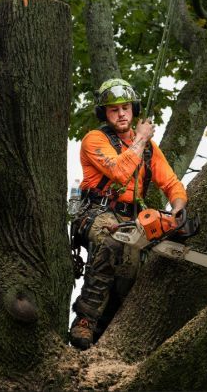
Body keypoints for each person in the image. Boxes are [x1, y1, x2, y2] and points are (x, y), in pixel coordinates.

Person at [69, 78, 187, 350]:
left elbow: (171, 183)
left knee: (134, 263)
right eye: (113, 110)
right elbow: (120, 171)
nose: (121, 114)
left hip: (133, 218)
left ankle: (109, 325)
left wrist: (179, 207)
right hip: (98, 213)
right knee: (114, 242)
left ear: (133, 109)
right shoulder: (94, 140)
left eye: (125, 108)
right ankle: (85, 319)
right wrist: (142, 138)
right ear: (105, 114)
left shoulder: (149, 150)